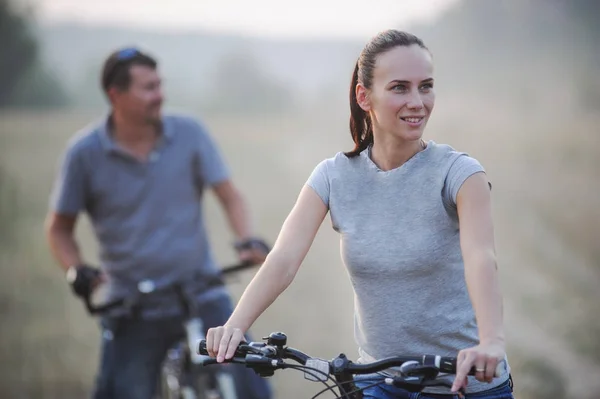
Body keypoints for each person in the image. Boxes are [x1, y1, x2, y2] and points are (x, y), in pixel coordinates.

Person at [205, 30, 515, 399]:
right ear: (363, 96)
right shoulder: (333, 176)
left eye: (426, 86)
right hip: (379, 384)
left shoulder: (461, 174)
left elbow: (481, 258)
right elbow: (284, 260)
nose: (417, 101)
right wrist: (236, 326)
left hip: (467, 385)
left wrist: (491, 341)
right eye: (400, 87)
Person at [44, 47, 273, 399]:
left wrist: (247, 238)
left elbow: (230, 196)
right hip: (132, 307)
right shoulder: (84, 154)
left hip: (202, 293)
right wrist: (77, 270)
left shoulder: (190, 133)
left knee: (253, 386)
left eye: (159, 84)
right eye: (148, 87)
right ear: (115, 95)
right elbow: (59, 228)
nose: (159, 95)